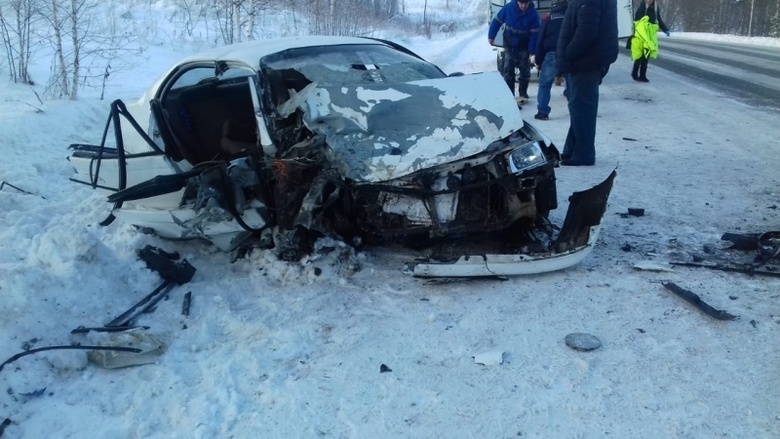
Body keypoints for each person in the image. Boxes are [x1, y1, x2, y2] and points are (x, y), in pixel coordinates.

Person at [555, 0, 618, 166]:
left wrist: (568, 54)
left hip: (585, 62)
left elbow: (586, 31)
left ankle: (583, 154)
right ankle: (572, 150)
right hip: (586, 61)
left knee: (582, 109)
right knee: (579, 108)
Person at [488, 0, 541, 102]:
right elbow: (497, 21)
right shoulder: (509, 8)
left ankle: (523, 93)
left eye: (526, 3)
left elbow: (534, 35)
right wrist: (491, 35)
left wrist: (532, 51)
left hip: (524, 46)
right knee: (508, 70)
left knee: (524, 71)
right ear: (517, 2)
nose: (523, 6)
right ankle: (509, 95)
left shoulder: (533, 14)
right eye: (521, 3)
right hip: (509, 43)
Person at [533, 0, 568, 120]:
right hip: (569, 54)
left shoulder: (548, 19)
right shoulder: (572, 18)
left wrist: (538, 59)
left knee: (545, 85)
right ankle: (575, 108)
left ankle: (542, 112)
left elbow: (540, 41)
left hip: (551, 54)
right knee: (572, 83)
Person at [631, 0, 670, 82]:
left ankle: (642, 75)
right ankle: (635, 73)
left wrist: (665, 29)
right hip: (641, 35)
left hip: (650, 36)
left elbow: (658, 20)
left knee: (646, 55)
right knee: (640, 55)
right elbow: (636, 20)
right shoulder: (642, 7)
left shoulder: (655, 8)